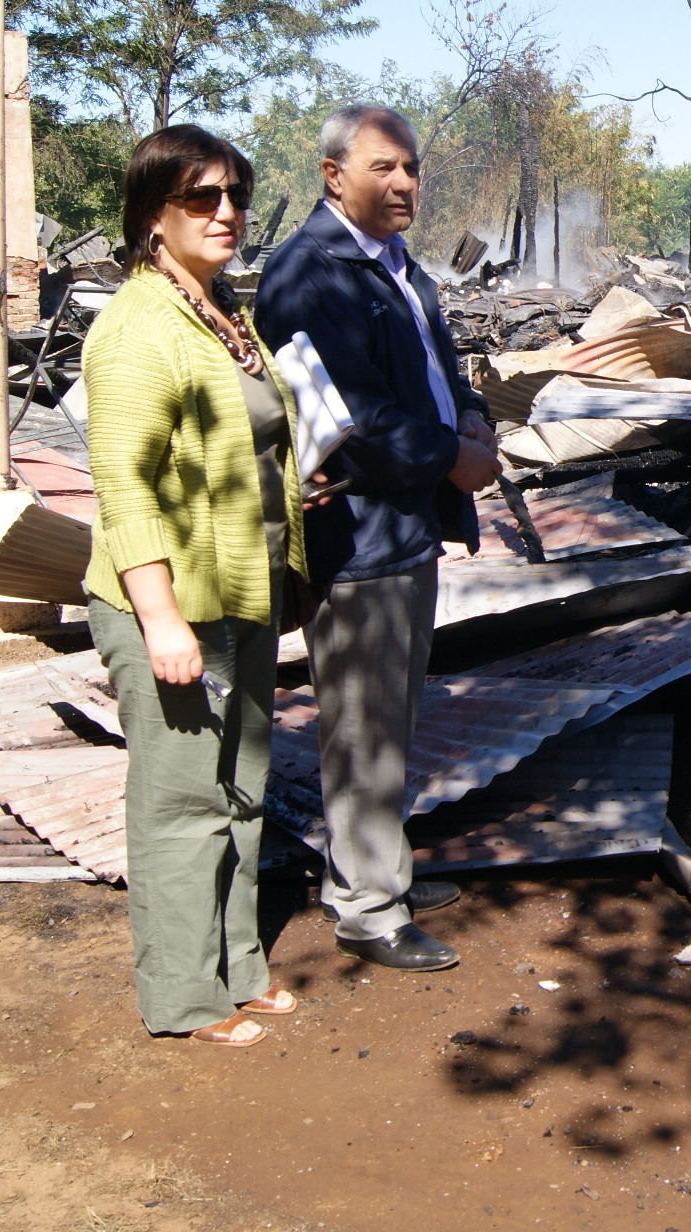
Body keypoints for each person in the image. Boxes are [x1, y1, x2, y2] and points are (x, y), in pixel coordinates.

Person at [254, 103, 499, 972]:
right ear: (333, 175)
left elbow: (442, 366)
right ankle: (367, 906)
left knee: (392, 713)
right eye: (384, 168)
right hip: (356, 535)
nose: (405, 183)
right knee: (361, 721)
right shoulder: (307, 273)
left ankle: (371, 865)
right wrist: (450, 461)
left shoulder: (399, 266)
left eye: (411, 168)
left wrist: (472, 421)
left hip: (406, 528)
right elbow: (346, 415)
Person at [84, 124, 311, 1047]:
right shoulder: (136, 326)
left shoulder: (216, 309)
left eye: (233, 195)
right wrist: (160, 620)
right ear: (152, 218)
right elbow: (123, 485)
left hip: (242, 587)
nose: (227, 213)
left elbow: (242, 440)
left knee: (243, 784)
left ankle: (237, 966)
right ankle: (183, 996)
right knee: (181, 800)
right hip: (172, 605)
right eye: (200, 199)